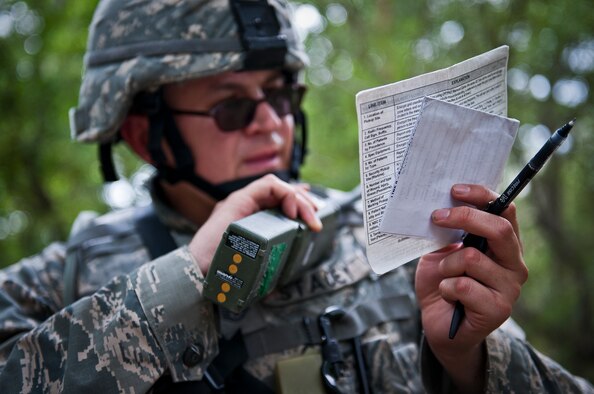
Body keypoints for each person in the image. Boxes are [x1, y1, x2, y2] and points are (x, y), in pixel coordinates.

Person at [0, 0, 592, 393]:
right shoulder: (65, 278)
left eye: (280, 95)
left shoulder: (395, 234)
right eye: (231, 105)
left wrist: (467, 363)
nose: (271, 123)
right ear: (142, 133)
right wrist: (186, 279)